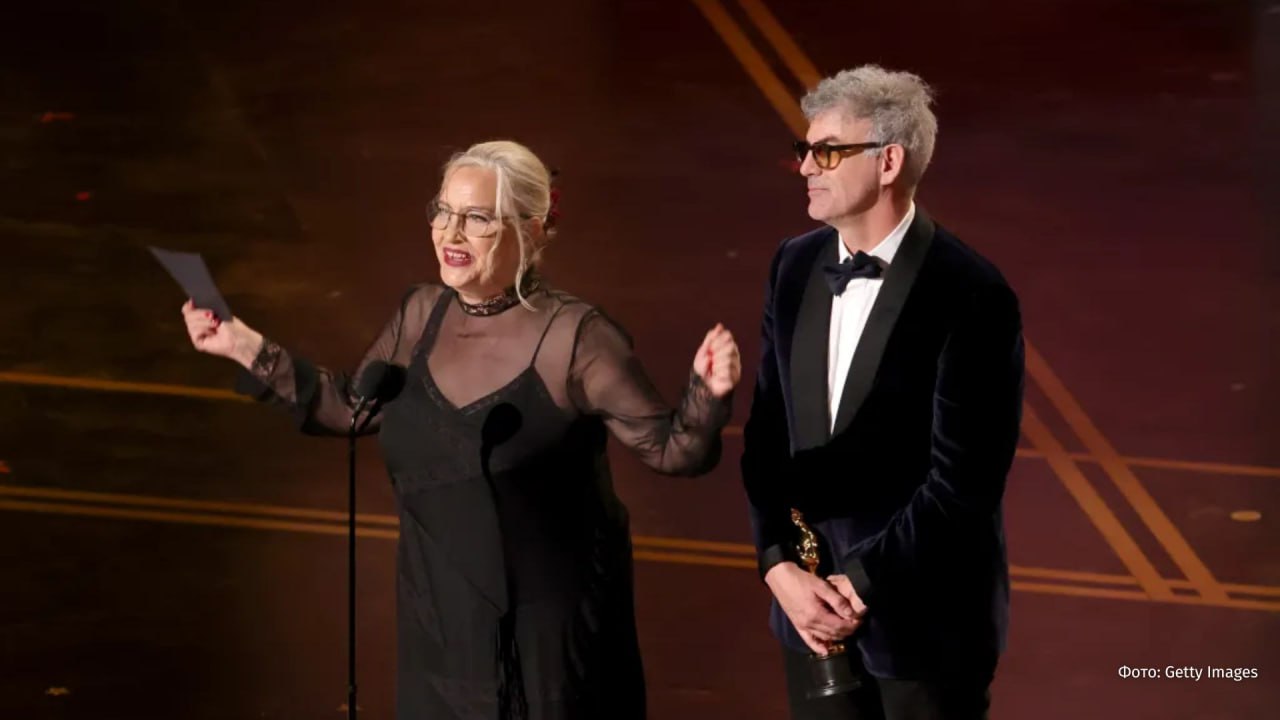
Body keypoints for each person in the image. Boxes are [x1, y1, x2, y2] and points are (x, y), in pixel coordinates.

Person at [181, 140, 741, 719]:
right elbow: (349, 408)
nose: (450, 234)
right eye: (443, 211)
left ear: (531, 229)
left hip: (545, 649)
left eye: (476, 218)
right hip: (438, 630)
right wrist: (242, 345)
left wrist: (708, 393)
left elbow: (674, 451)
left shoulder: (574, 340)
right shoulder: (421, 315)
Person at [740, 65, 1025, 719]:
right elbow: (767, 432)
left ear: (888, 161)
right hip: (806, 616)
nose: (806, 167)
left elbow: (964, 484)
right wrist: (778, 565)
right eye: (805, 150)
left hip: (926, 630)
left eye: (827, 151)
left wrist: (857, 584)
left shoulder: (971, 293)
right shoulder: (793, 265)